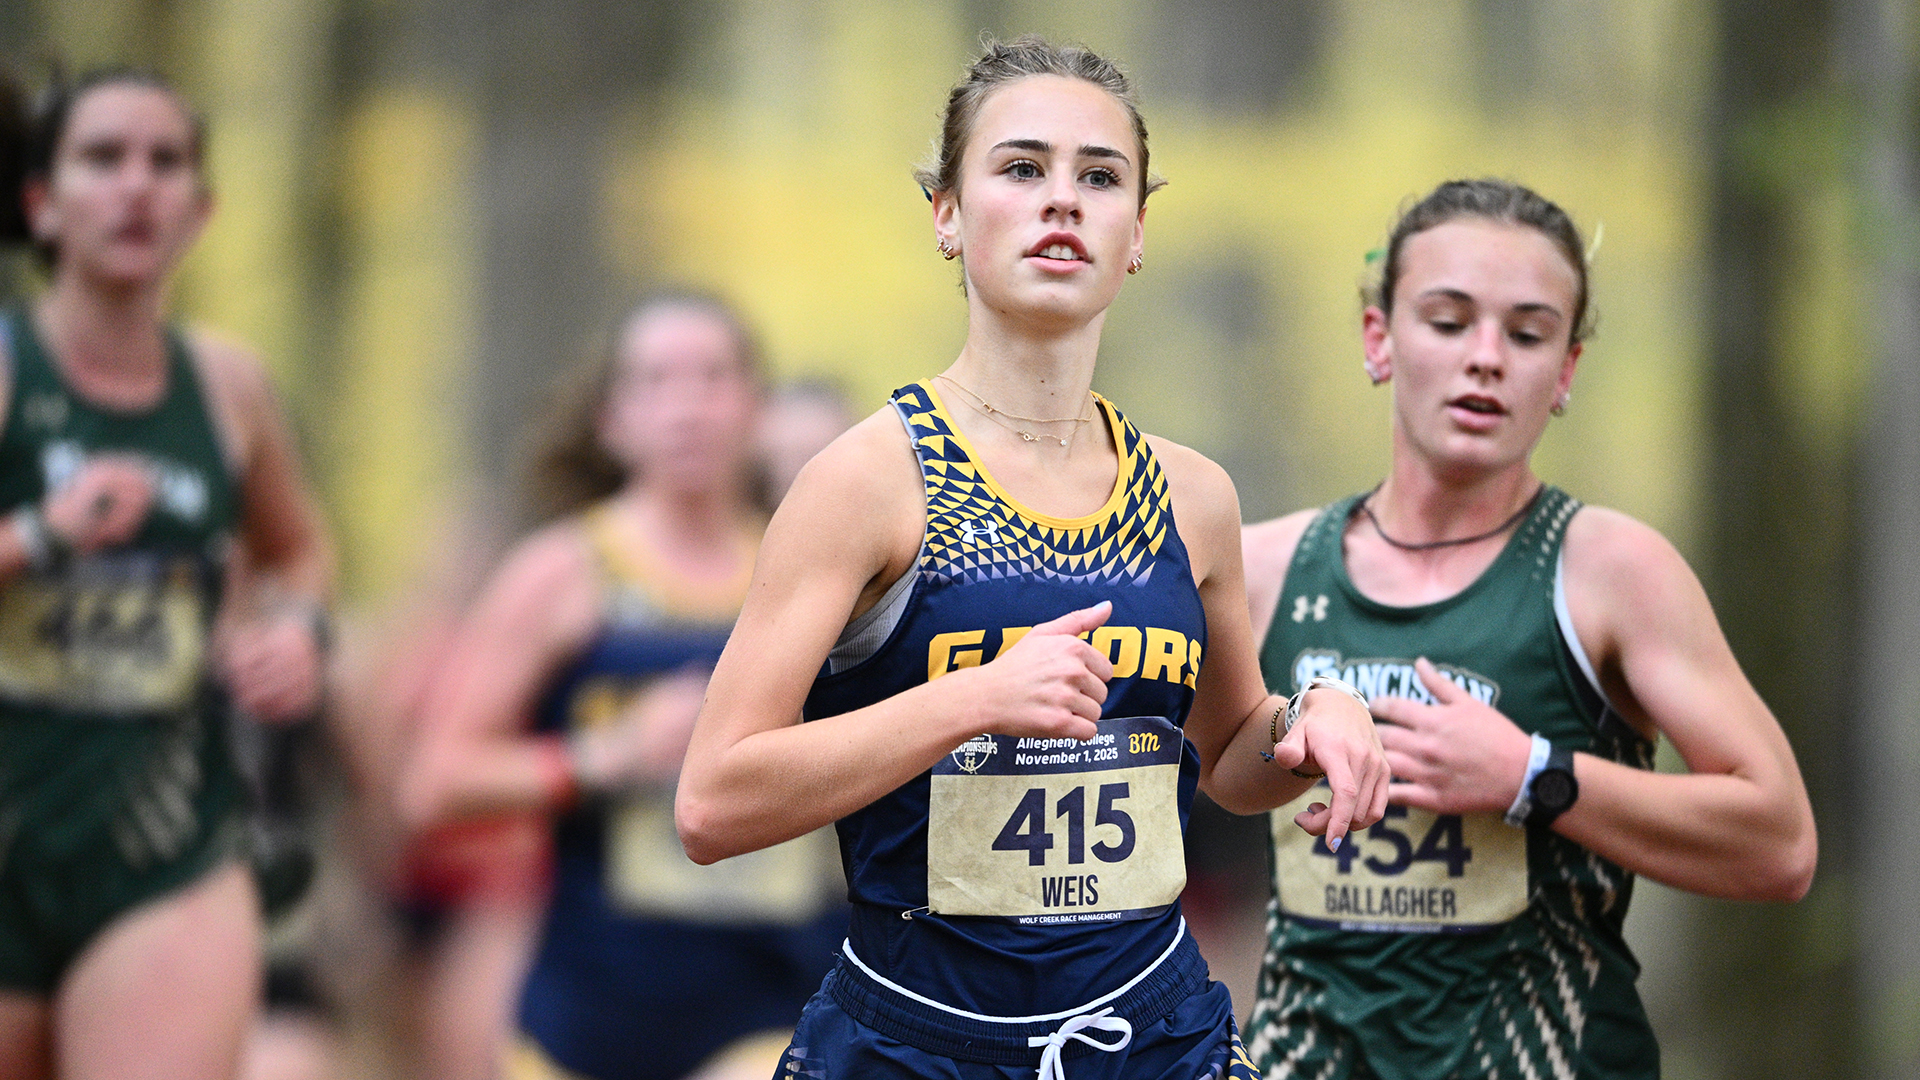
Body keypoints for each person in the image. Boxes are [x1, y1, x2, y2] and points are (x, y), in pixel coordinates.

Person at [675, 36, 1389, 1080]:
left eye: (1099, 178)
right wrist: (973, 700)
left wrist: (1313, 718)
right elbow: (711, 802)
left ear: (1136, 231)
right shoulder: (867, 481)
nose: (1064, 201)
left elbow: (1232, 757)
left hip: (1155, 1038)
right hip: (917, 1044)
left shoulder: (1193, 496)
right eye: (1021, 168)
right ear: (948, 217)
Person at [1239, 179, 1818, 1079]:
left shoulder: (1612, 572)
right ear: (1378, 339)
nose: (1486, 359)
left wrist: (1531, 777)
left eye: (1527, 333)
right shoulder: (1262, 568)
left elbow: (1780, 841)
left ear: (1567, 372)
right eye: (1448, 320)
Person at [401, 293, 848, 1080]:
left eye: (713, 379)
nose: (687, 408)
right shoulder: (563, 573)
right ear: (613, 418)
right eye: (656, 382)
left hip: (779, 1003)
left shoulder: (817, 571)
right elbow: (432, 782)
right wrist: (604, 756)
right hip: (591, 1018)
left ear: (755, 408)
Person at [0, 69, 333, 1080]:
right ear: (42, 203)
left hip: (166, 846)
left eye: (165, 163)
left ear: (202, 208)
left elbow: (301, 549)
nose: (136, 186)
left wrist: (300, 632)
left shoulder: (227, 386)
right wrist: (41, 538)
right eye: (102, 159)